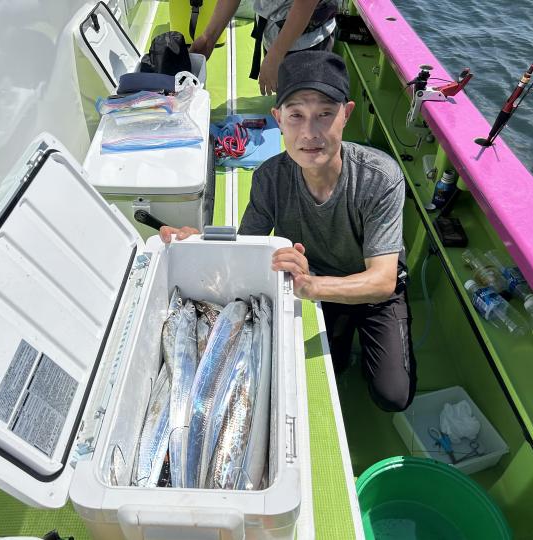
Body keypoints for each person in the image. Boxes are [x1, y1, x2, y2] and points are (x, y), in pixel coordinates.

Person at [160, 50, 416, 412]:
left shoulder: (380, 177)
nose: (310, 133)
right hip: (315, 282)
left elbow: (383, 280)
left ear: (346, 114)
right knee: (328, 370)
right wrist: (198, 244)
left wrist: (311, 287)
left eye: (325, 114)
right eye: (296, 115)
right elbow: (246, 249)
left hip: (369, 289)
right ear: (278, 119)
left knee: (393, 395)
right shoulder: (269, 178)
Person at [190, 0, 338, 95]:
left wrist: (275, 56)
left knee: (305, 112)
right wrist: (209, 38)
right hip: (273, 29)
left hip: (308, 43)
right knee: (289, 108)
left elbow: (305, 4)